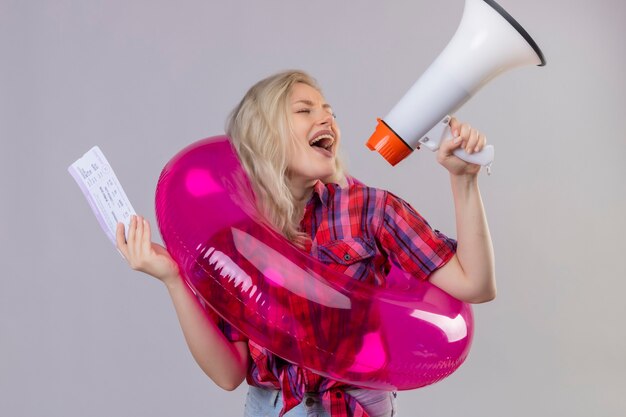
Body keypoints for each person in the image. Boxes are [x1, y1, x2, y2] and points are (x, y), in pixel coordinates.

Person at [116, 70, 496, 417]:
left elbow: (474, 284)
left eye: (328, 111)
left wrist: (464, 180)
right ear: (265, 133)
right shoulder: (233, 234)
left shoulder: (369, 209)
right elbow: (229, 373)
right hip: (273, 408)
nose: (327, 118)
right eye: (304, 109)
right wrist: (172, 279)